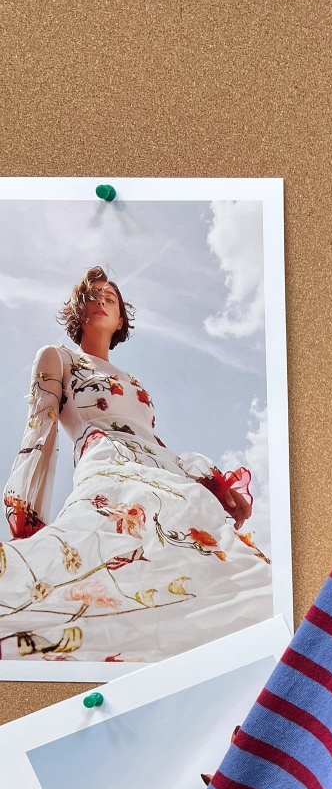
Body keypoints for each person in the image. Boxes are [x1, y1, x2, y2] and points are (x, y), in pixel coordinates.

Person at [0, 267, 271, 663]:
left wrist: (214, 485)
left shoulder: (135, 384)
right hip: (105, 459)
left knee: (204, 559)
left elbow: (153, 441)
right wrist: (26, 516)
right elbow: (38, 433)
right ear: (77, 310)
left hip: (161, 470)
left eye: (110, 297)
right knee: (102, 545)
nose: (100, 301)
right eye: (91, 295)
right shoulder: (57, 357)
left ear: (120, 320)